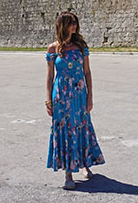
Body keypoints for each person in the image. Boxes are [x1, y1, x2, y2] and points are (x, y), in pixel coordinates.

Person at [45, 11, 104, 190]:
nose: (74, 26)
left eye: (75, 23)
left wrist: (90, 96)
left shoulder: (81, 46)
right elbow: (49, 77)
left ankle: (85, 164)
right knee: (65, 131)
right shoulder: (53, 49)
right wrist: (48, 100)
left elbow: (87, 72)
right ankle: (68, 174)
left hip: (79, 95)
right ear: (62, 25)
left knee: (82, 127)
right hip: (61, 97)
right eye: (71, 23)